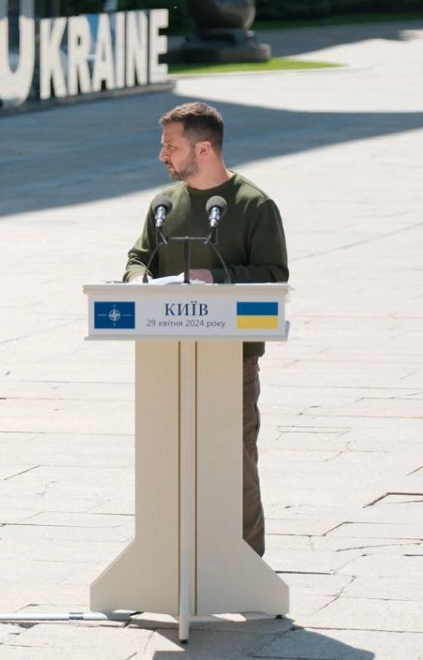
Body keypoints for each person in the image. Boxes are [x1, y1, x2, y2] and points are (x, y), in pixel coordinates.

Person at [124, 101, 288, 557]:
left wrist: (215, 278)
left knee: (234, 465)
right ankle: (172, 560)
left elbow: (274, 276)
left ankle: (246, 565)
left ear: (204, 148)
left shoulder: (254, 205)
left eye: (171, 146)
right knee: (167, 461)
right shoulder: (163, 204)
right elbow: (139, 257)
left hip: (230, 360)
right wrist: (137, 280)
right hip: (167, 356)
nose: (162, 154)